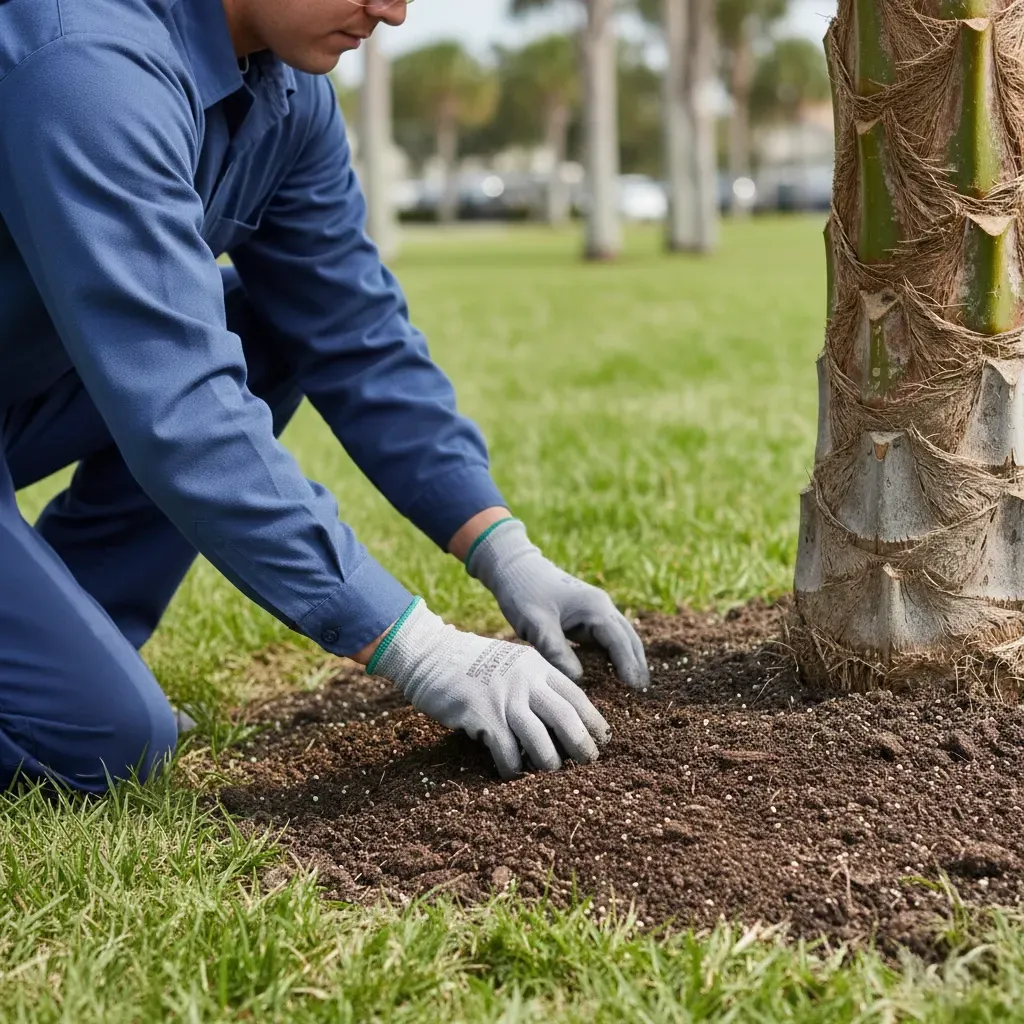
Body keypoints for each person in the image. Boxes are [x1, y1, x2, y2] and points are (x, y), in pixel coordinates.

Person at [0, 0, 649, 795]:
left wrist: (507, 553)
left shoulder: (285, 94)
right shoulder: (84, 64)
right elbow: (183, 412)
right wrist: (419, 648)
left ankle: (74, 641)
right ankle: (63, 696)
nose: (394, 11)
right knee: (107, 741)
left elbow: (353, 331)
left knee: (270, 329)